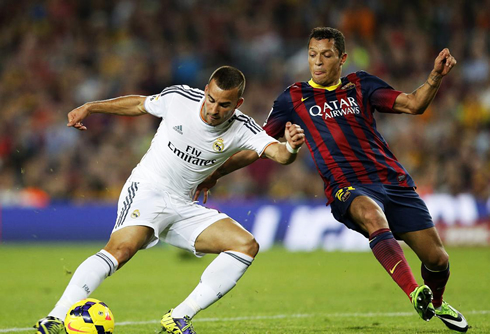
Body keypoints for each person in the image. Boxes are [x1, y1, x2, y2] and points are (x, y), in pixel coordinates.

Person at [194, 27, 468, 332]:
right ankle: (414, 291)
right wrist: (216, 173)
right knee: (371, 215)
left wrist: (435, 77)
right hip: (346, 185)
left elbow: (414, 104)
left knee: (438, 259)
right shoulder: (293, 98)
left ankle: (436, 302)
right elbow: (258, 146)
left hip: (392, 180)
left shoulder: (361, 84)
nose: (318, 62)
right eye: (312, 55)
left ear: (342, 58)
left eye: (326, 55)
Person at [34, 65, 305, 334]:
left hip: (184, 206)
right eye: (211, 99)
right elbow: (139, 104)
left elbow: (279, 155)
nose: (213, 109)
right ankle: (55, 318)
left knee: (245, 245)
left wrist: (291, 146)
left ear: (238, 103)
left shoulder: (243, 127)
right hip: (148, 189)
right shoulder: (180, 99)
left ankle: (178, 317)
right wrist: (91, 107)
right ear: (206, 90)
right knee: (121, 250)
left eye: (224, 105)